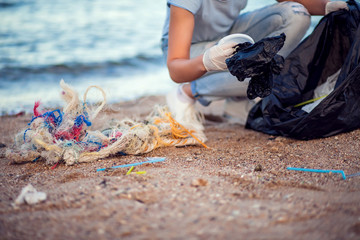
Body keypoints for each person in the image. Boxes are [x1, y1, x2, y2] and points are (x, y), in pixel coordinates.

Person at [161, 0, 349, 139]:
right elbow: (176, 69)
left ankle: (237, 100)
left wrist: (329, 6)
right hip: (189, 52)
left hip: (228, 33)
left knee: (296, 14)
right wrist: (208, 61)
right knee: (265, 76)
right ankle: (187, 92)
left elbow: (292, 3)